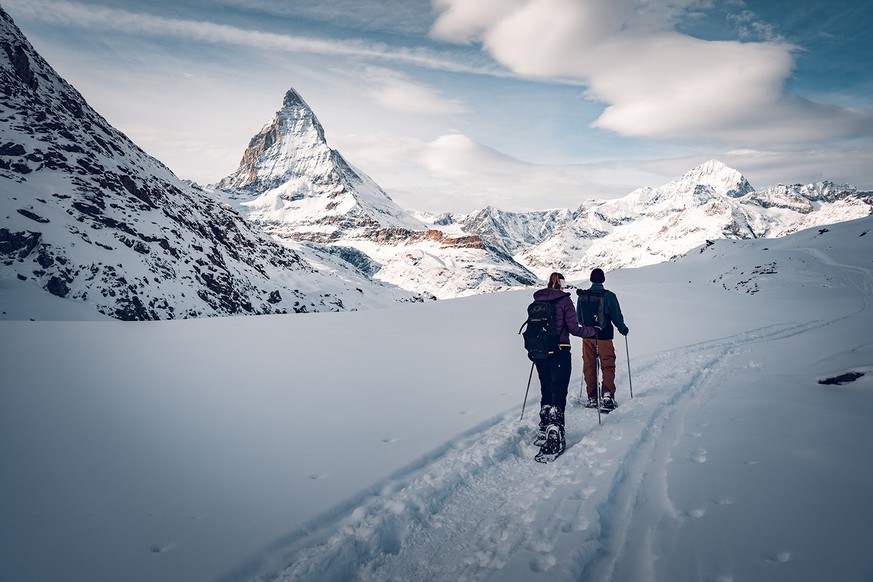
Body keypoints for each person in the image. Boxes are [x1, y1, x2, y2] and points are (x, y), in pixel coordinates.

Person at [531, 272, 597, 454]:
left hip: (540, 353)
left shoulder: (538, 300)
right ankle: (555, 429)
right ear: (561, 284)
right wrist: (592, 331)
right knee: (559, 390)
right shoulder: (564, 301)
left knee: (546, 388)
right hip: (560, 351)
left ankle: (544, 426)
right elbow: (575, 329)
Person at [576, 268, 629, 411]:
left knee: (589, 365)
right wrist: (623, 329)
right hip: (604, 337)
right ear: (603, 280)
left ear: (591, 279)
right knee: (607, 365)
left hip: (587, 337)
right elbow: (617, 316)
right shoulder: (609, 296)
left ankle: (592, 397)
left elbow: (579, 318)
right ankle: (607, 396)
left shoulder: (582, 296)